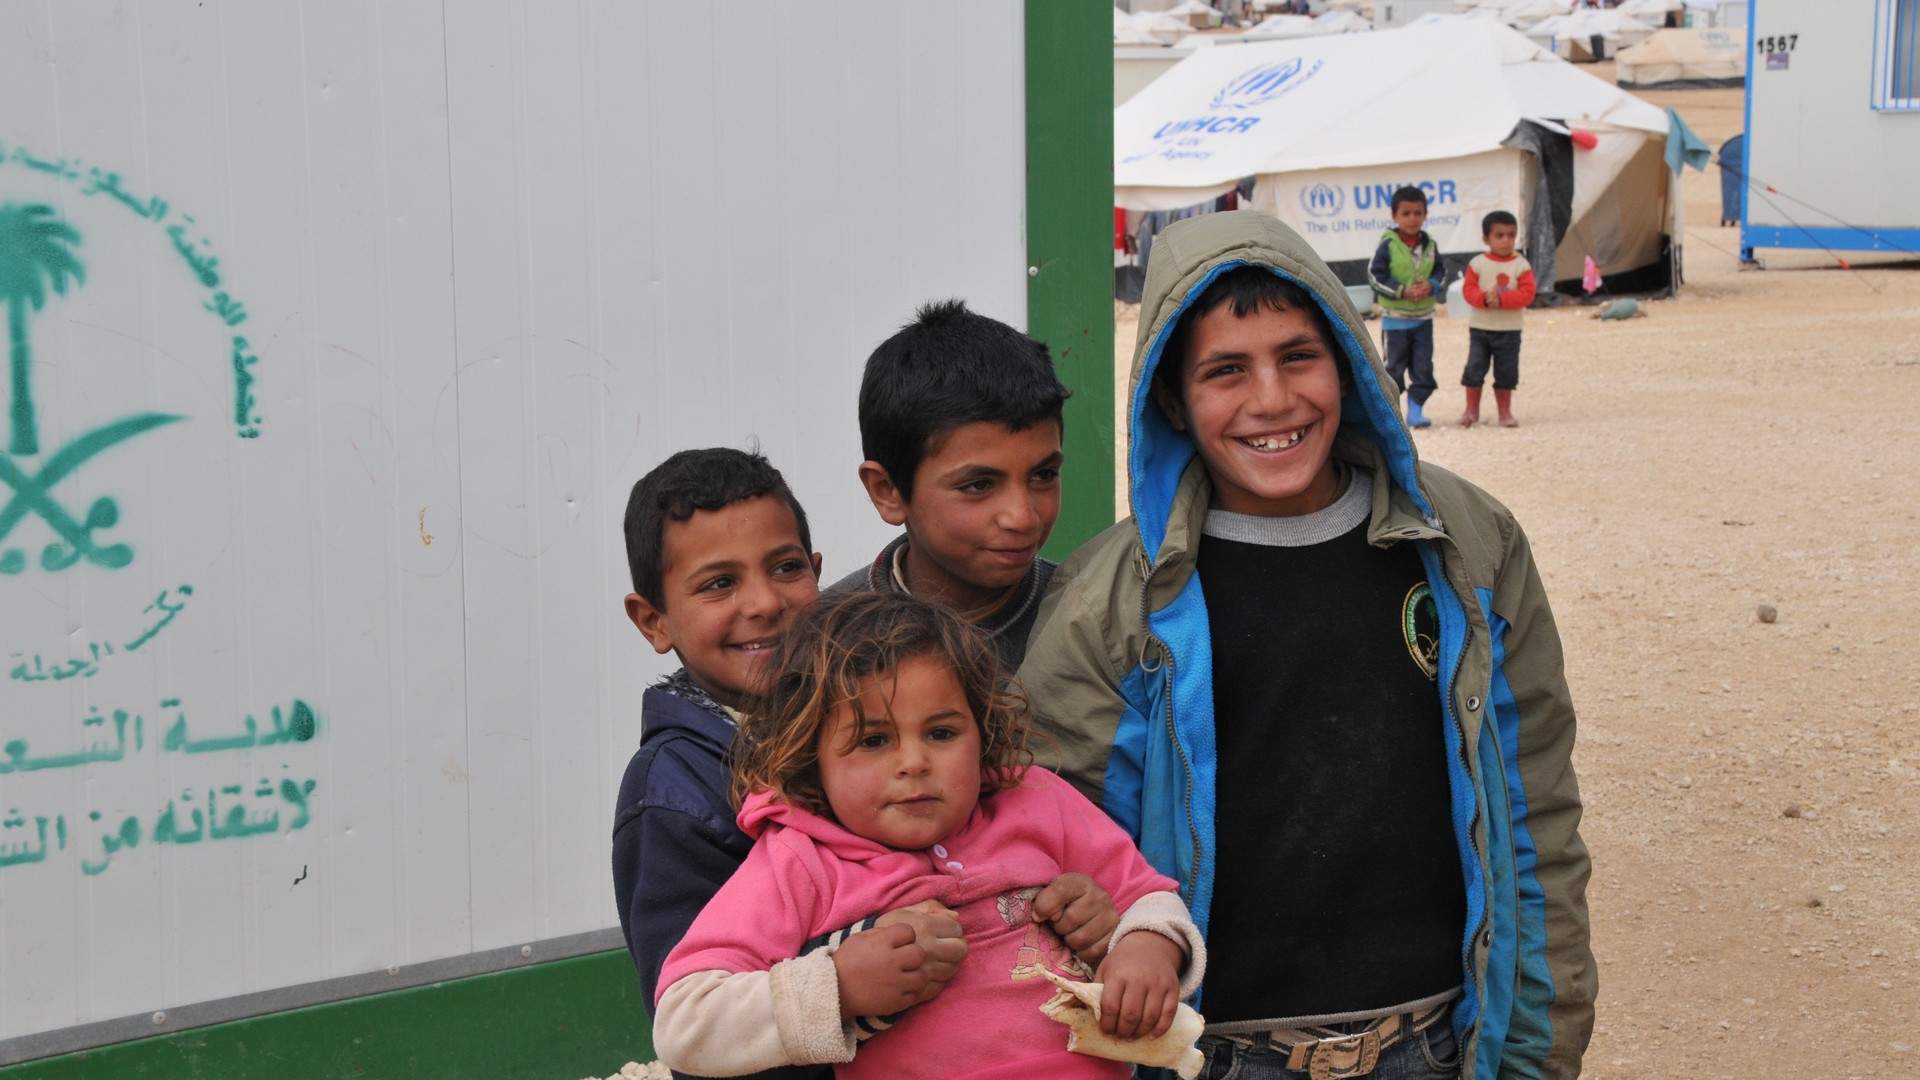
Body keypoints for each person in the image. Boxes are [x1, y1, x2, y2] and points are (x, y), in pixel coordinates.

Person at [1019, 210, 1595, 1079]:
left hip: (1434, 1045)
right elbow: (1060, 856)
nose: (1272, 400)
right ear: (1170, 397)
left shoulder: (1465, 543)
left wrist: (1536, 1051)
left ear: (1350, 364)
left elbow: (1533, 806)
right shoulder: (1110, 602)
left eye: (1298, 356)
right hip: (1209, 1056)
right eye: (1225, 371)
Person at [610, 449, 1111, 1080]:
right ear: (652, 620)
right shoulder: (673, 797)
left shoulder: (884, 728)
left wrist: (1079, 923)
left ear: (818, 575)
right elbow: (697, 1027)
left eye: (786, 568)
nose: (764, 602)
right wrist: (847, 981)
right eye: (718, 583)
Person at [652, 592, 1206, 1079]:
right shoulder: (800, 857)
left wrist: (1146, 947)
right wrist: (838, 984)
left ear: (982, 730)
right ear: (809, 756)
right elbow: (684, 1023)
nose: (913, 762)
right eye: (873, 741)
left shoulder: (1034, 799)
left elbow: (1146, 896)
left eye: (941, 733)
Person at [833, 300, 1070, 672]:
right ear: (887, 490)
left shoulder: (1096, 623)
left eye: (1043, 476)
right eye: (979, 485)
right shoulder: (826, 643)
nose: (1023, 519)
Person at [1367, 186, 1448, 429]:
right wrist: (1402, 291)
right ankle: (1392, 417)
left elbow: (1441, 272)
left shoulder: (1430, 245)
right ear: (1395, 216)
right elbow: (1375, 276)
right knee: (1393, 369)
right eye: (1406, 213)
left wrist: (1431, 286)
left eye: (1418, 213)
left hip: (1423, 319)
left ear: (1425, 214)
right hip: (1396, 321)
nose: (1412, 218)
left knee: (1423, 367)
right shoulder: (1387, 245)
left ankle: (1416, 411)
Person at [1457, 211, 1536, 429]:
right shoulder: (1477, 264)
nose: (1506, 240)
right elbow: (1469, 290)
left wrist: (1502, 299)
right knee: (1474, 369)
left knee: (1506, 371)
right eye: (1499, 235)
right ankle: (1471, 411)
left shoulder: (1521, 265)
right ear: (1486, 239)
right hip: (1480, 329)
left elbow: (1527, 293)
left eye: (1511, 235)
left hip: (1510, 330)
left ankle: (1505, 411)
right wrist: (1484, 298)